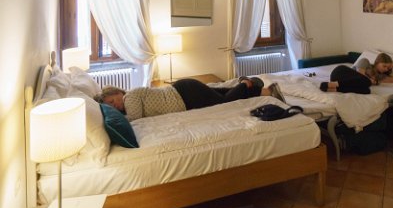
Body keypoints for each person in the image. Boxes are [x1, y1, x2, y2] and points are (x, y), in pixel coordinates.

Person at [97, 76, 285, 116]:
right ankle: (266, 91)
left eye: (113, 101)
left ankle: (244, 83)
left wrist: (112, 115)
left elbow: (135, 118)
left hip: (185, 95)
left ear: (118, 92)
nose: (116, 106)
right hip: (184, 91)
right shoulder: (130, 99)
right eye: (111, 107)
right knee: (223, 92)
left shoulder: (130, 97)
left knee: (223, 102)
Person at [319, 52, 393, 94]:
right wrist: (371, 81)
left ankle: (333, 89)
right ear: (377, 62)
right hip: (340, 72)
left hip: (343, 83)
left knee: (366, 91)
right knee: (366, 81)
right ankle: (331, 84)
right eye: (384, 66)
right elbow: (360, 76)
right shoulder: (365, 62)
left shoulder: (380, 77)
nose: (386, 69)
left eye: (388, 68)